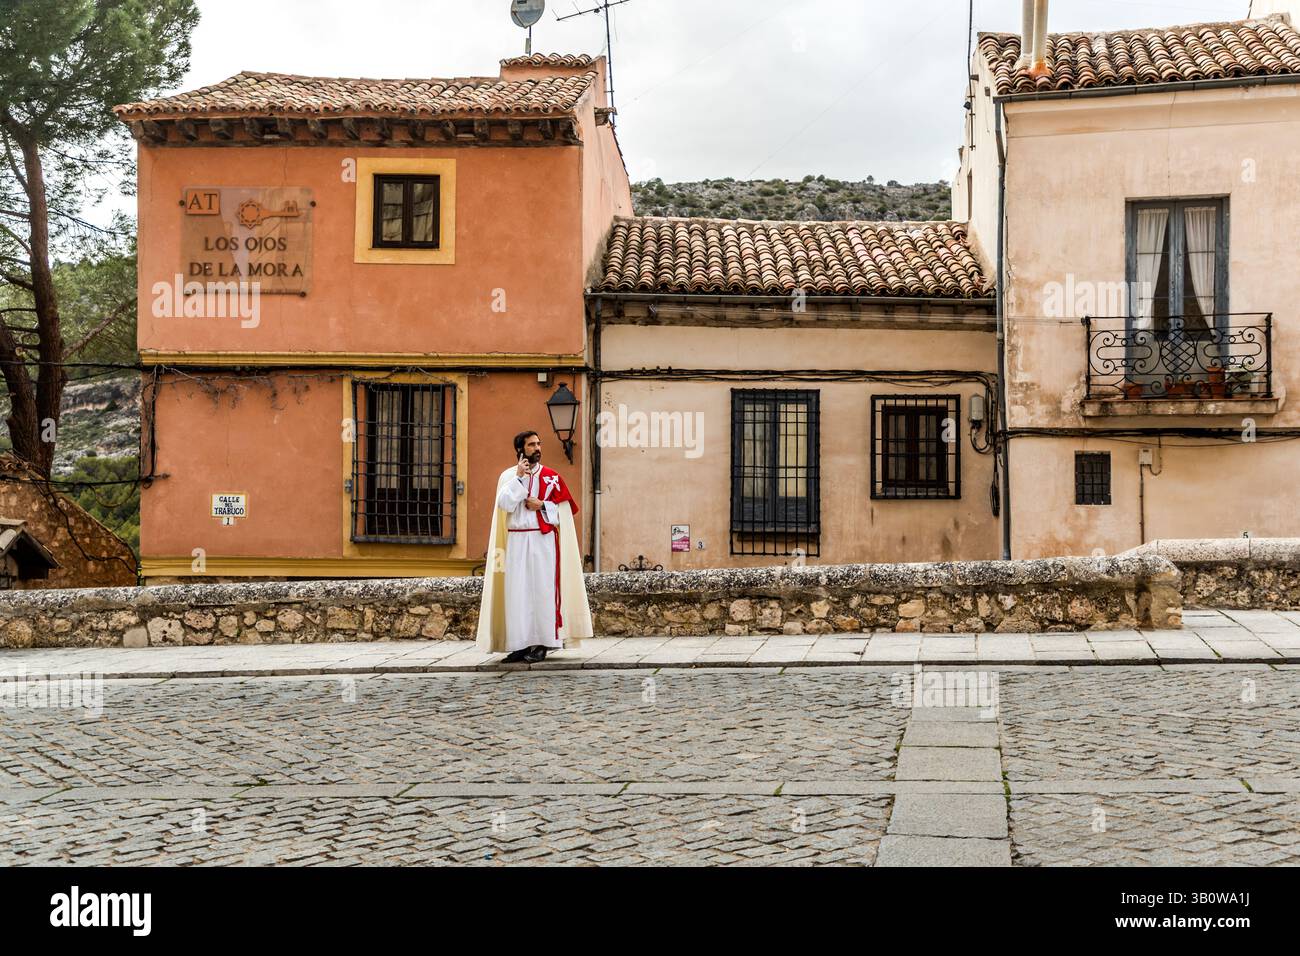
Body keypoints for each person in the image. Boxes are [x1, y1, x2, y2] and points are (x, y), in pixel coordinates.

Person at [476, 430, 592, 662]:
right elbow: (505, 505)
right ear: (520, 449)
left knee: (543, 591)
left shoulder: (552, 477)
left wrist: (542, 505)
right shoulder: (508, 476)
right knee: (516, 592)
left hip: (542, 539)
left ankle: (543, 643)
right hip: (516, 540)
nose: (537, 448)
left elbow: (565, 515)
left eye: (538, 444)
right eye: (531, 444)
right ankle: (520, 644)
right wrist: (519, 479)